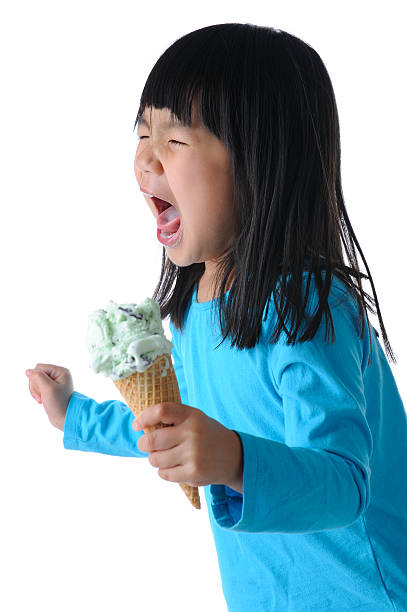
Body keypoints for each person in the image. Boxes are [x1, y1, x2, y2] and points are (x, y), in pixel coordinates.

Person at [26, 23, 407, 611]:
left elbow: (343, 484)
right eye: (142, 134)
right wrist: (74, 416)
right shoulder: (199, 306)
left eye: (174, 140)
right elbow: (173, 426)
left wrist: (233, 457)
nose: (145, 158)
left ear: (260, 163)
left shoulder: (308, 306)